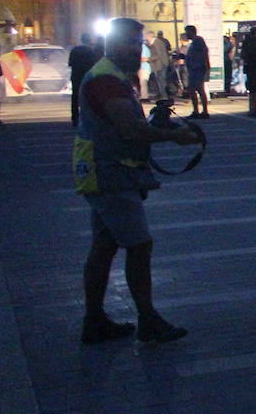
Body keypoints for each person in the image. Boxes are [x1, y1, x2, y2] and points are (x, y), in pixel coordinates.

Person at [73, 18, 199, 344]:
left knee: (104, 246)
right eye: (131, 42)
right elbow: (130, 129)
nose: (137, 48)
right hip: (111, 174)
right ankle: (148, 320)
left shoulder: (111, 76)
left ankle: (95, 320)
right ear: (113, 44)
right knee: (139, 246)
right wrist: (175, 137)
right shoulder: (106, 81)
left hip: (104, 171)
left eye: (138, 42)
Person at [180, 25, 210, 118]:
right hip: (194, 69)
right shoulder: (193, 43)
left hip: (197, 69)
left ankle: (203, 111)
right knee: (193, 89)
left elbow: (203, 53)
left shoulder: (198, 40)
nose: (186, 34)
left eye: (187, 32)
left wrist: (205, 66)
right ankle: (197, 111)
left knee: (199, 89)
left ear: (191, 32)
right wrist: (183, 57)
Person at [68, 33, 98, 126]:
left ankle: (75, 118)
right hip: (87, 76)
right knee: (88, 97)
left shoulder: (75, 49)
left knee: (75, 97)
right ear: (89, 40)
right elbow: (95, 64)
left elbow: (70, 63)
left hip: (76, 76)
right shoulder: (91, 50)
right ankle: (87, 118)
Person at [147, 30, 172, 102]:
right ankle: (163, 95)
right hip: (160, 64)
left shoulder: (156, 43)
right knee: (160, 80)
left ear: (149, 36)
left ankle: (164, 96)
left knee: (161, 80)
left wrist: (149, 59)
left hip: (161, 64)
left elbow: (158, 54)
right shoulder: (156, 42)